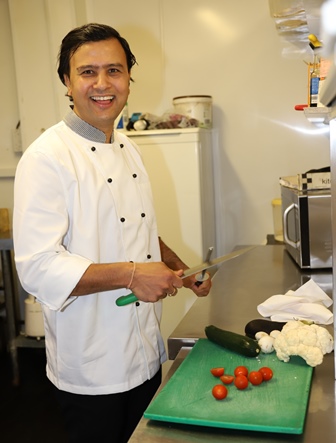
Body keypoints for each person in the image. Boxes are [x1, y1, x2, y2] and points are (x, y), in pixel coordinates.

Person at [13, 23, 212, 443]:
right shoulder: (46, 157)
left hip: (144, 350)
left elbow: (136, 230)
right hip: (92, 363)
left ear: (128, 79)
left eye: (114, 70)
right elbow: (38, 267)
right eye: (87, 72)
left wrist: (179, 266)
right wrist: (134, 275)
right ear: (67, 82)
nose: (102, 84)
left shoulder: (128, 146)